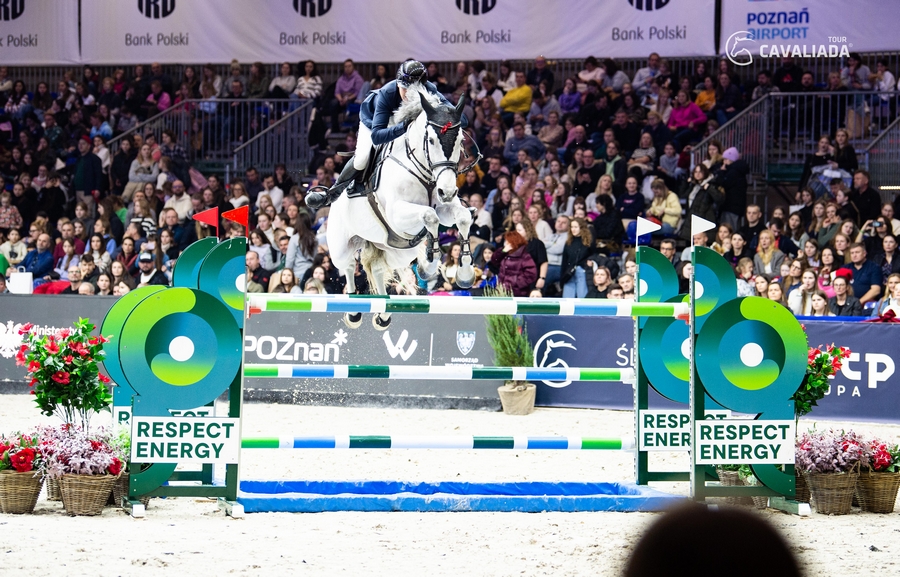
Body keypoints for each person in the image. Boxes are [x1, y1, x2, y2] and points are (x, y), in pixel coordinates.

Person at [307, 60, 462, 209]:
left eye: (413, 90)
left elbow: (460, 118)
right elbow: (377, 136)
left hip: (403, 121)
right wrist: (403, 127)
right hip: (375, 121)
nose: (408, 94)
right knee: (362, 158)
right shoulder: (387, 93)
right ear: (398, 84)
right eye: (404, 88)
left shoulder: (429, 89)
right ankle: (332, 194)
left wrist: (448, 116)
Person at [713, 147, 749, 230]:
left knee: (729, 230)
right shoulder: (738, 170)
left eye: (726, 159)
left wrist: (721, 172)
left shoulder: (734, 172)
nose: (724, 162)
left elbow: (724, 183)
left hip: (731, 207)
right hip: (734, 207)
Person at [560, 217, 594, 298]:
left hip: (582, 271)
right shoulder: (568, 242)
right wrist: (562, 278)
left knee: (582, 298)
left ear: (582, 228)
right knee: (567, 299)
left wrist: (590, 261)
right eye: (572, 227)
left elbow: (594, 255)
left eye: (575, 227)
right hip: (569, 272)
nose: (573, 229)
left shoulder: (588, 242)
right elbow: (564, 261)